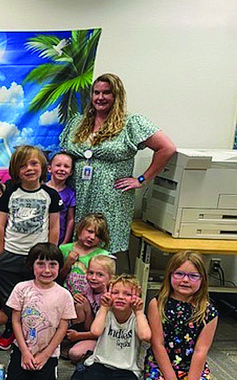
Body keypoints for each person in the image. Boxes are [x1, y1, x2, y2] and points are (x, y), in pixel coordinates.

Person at [59, 73, 176, 254]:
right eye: (96, 92)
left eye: (106, 93)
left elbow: (167, 148)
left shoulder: (131, 123)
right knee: (74, 248)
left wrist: (142, 179)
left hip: (111, 199)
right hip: (79, 195)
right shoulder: (77, 122)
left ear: (117, 95)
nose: (100, 97)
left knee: (103, 251)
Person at [0, 145, 63, 351]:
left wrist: (51, 253)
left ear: (43, 167)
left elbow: (54, 226)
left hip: (37, 254)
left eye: (34, 164)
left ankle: (32, 327)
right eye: (23, 166)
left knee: (36, 290)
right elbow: (0, 224)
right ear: (16, 171)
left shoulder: (50, 194)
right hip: (12, 250)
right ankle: (12, 325)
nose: (29, 169)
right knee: (1, 274)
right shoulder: (10, 193)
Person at [145, 251, 218, 380]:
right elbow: (157, 344)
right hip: (162, 365)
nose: (185, 280)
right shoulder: (157, 304)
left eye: (193, 276)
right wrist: (170, 379)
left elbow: (201, 350)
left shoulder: (208, 311)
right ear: (169, 275)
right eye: (179, 274)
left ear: (202, 280)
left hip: (191, 367)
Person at [69, 275, 151, 380]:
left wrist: (139, 312)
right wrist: (104, 308)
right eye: (115, 293)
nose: (120, 297)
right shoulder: (107, 313)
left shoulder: (137, 318)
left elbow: (145, 336)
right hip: (102, 365)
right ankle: (83, 368)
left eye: (127, 294)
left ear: (137, 297)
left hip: (126, 370)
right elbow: (95, 331)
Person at [5, 243, 75, 380]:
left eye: (52, 265)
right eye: (41, 264)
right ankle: (19, 362)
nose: (47, 270)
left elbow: (63, 328)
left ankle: (43, 370)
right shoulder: (21, 288)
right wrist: (24, 351)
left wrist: (45, 355)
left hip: (48, 351)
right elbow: (15, 321)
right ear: (32, 265)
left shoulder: (64, 295)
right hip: (23, 347)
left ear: (59, 266)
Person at [65, 254, 116, 363]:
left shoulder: (110, 297)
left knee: (74, 354)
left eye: (100, 275)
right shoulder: (88, 287)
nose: (93, 278)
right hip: (90, 329)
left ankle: (95, 352)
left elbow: (102, 331)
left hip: (104, 336)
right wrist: (75, 297)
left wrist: (78, 336)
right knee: (80, 303)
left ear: (111, 278)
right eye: (90, 273)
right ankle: (77, 340)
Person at [58, 213, 110, 296]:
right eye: (90, 231)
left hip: (89, 300)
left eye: (97, 235)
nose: (92, 237)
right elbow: (56, 279)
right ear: (80, 229)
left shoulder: (102, 255)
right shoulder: (64, 249)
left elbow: (106, 284)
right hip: (64, 296)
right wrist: (67, 265)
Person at [46, 152, 76, 245]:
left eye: (66, 166)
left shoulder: (70, 194)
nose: (62, 169)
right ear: (49, 169)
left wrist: (65, 241)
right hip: (40, 237)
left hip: (59, 239)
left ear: (71, 172)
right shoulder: (41, 190)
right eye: (58, 165)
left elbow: (70, 219)